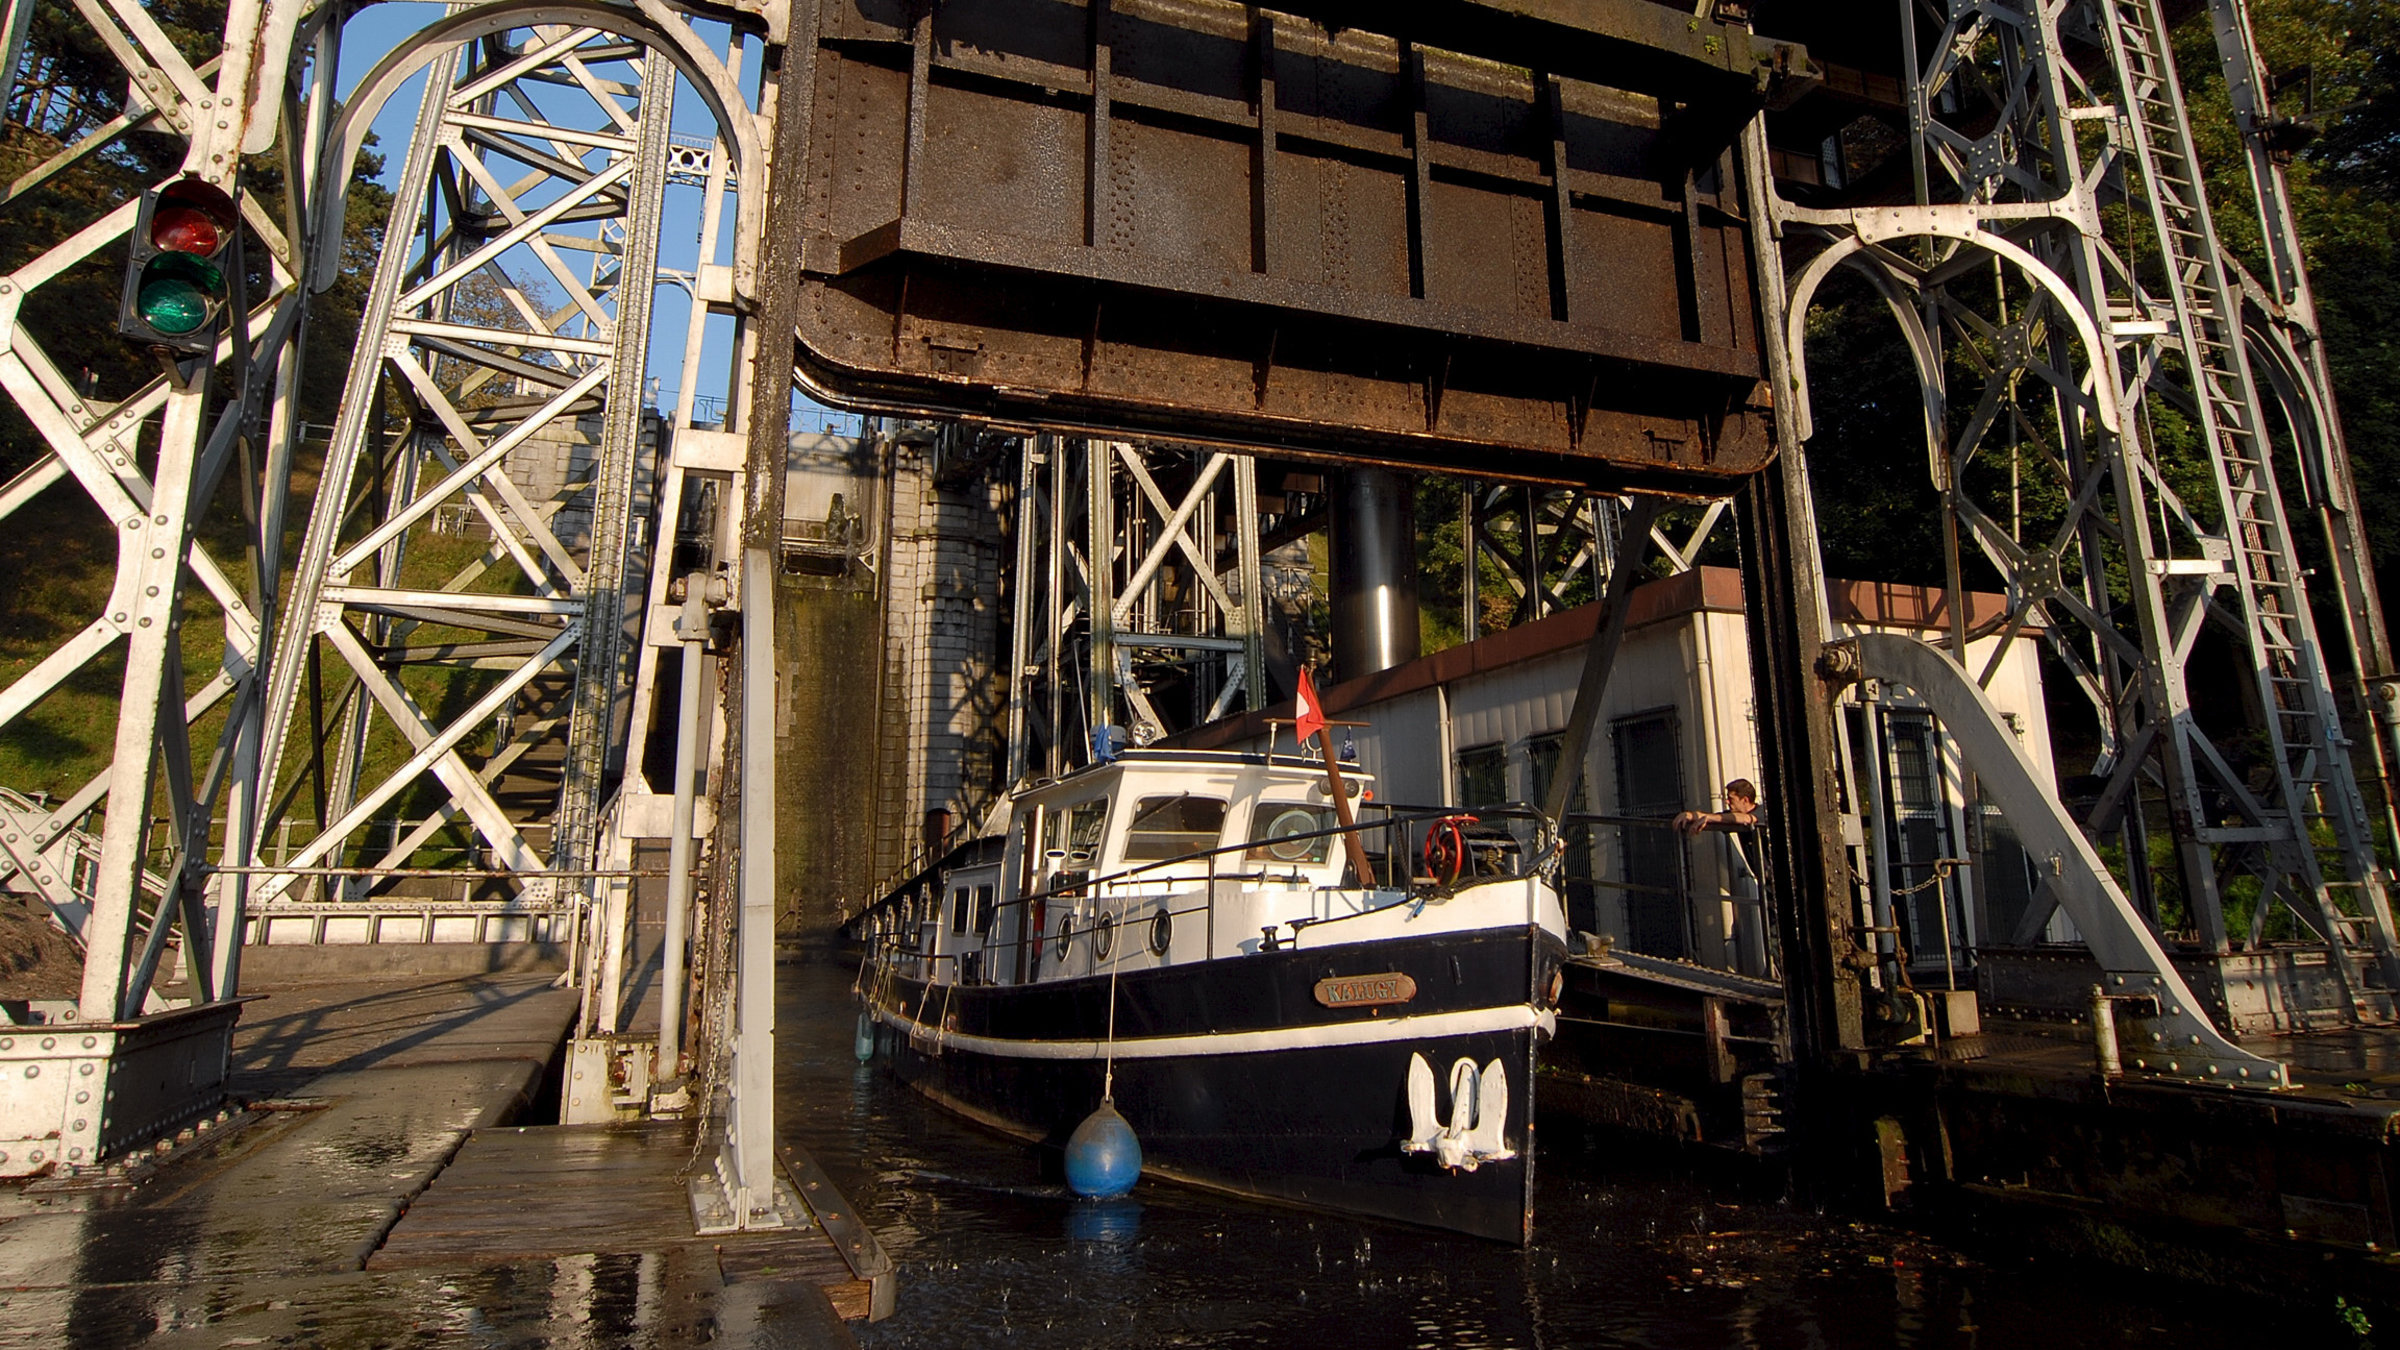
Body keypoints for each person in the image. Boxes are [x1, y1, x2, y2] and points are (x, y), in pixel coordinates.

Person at [1675, 779, 1758, 839]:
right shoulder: (1730, 816)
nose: (1727, 802)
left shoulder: (1762, 812)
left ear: (1745, 800)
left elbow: (1747, 819)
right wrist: (1690, 815)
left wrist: (1708, 818)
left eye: (1731, 799)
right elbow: (1718, 817)